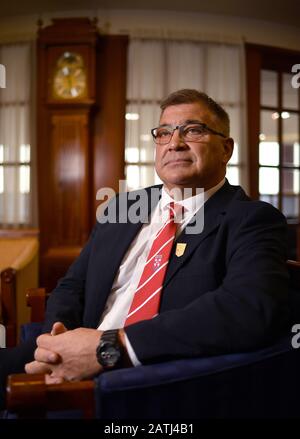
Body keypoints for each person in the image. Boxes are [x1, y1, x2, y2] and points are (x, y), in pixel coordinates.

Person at [0, 89, 289, 408]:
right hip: (69, 348)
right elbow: (73, 285)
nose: (174, 143)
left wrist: (109, 347)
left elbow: (248, 307)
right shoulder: (124, 207)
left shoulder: (251, 219)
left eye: (193, 130)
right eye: (164, 133)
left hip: (142, 378)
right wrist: (56, 344)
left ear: (226, 149)